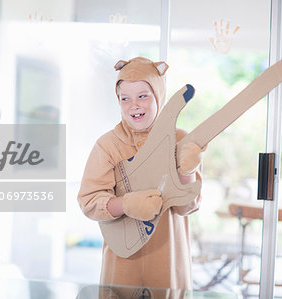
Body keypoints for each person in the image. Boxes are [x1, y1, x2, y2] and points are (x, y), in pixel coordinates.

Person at [77, 57, 206, 291]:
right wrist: (125, 204)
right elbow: (89, 201)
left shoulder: (180, 141)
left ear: (159, 95)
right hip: (122, 264)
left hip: (168, 260)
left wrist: (187, 172)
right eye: (125, 98)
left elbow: (188, 206)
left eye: (143, 96)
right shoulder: (107, 145)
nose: (133, 105)